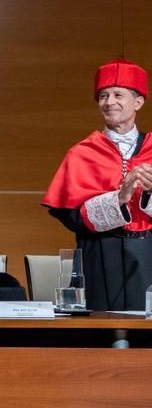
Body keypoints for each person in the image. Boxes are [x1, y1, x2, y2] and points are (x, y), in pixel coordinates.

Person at [43, 57, 152, 310]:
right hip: (101, 251)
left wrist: (149, 192)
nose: (109, 102)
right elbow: (69, 215)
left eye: (118, 95)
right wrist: (119, 199)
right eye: (103, 96)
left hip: (149, 250)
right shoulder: (82, 153)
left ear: (138, 102)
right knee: (102, 328)